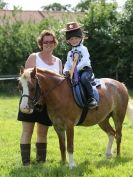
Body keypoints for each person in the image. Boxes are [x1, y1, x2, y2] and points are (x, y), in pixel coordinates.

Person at [18, 30, 62, 166]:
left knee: (42, 132)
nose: (48, 44)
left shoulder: (58, 62)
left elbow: (59, 84)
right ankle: (26, 163)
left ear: (55, 44)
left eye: (51, 42)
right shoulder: (33, 57)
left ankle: (40, 162)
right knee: (27, 131)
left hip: (47, 104)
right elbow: (25, 80)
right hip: (30, 100)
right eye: (45, 42)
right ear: (41, 43)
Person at [63, 22, 97, 109]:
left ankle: (91, 98)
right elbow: (68, 63)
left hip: (85, 70)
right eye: (71, 39)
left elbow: (85, 61)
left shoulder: (84, 49)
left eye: (76, 38)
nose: (74, 41)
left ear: (80, 37)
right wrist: (66, 70)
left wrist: (75, 69)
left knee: (84, 79)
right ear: (68, 41)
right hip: (72, 73)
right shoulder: (70, 53)